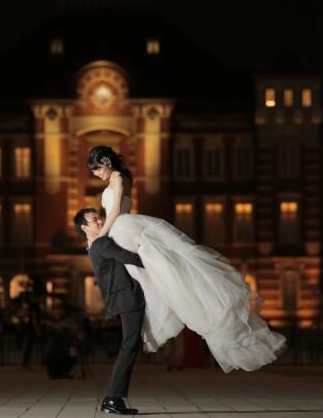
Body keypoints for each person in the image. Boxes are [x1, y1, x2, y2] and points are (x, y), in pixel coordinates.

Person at [85, 145, 286, 373]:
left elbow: (114, 213)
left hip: (122, 227)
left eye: (98, 169)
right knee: (152, 273)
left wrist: (100, 237)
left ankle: (153, 313)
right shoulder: (116, 178)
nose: (97, 174)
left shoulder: (119, 177)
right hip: (120, 231)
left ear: (107, 163)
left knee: (158, 273)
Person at [74, 208, 146, 415]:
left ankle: (114, 398)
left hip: (124, 298)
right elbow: (131, 258)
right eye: (95, 219)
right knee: (129, 345)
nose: (101, 221)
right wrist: (158, 259)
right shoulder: (102, 243)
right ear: (84, 227)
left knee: (129, 344)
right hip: (127, 298)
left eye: (99, 217)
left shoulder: (92, 245)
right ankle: (113, 398)